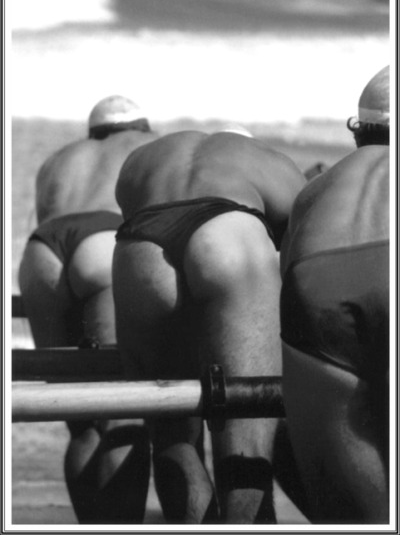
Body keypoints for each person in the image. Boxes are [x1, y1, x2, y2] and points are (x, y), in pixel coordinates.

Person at [112, 129, 307, 524]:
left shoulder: (144, 157)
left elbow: (131, 203)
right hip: (226, 237)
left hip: (142, 247)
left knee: (170, 434)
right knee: (245, 425)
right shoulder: (265, 158)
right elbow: (302, 239)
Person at [18, 95, 158, 524]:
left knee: (80, 421)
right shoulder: (149, 146)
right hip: (103, 242)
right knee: (122, 412)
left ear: (93, 132)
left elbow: (45, 216)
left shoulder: (59, 159)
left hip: (41, 254)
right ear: (141, 125)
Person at [279, 65, 390, 523]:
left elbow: (284, 277)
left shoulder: (317, 189)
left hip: (318, 282)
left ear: (358, 130)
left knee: (353, 515)